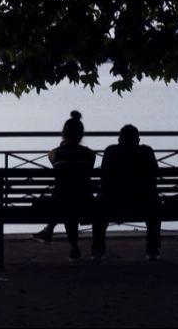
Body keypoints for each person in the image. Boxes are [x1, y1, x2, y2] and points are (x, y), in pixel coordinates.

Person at [92, 124, 161, 261]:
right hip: (143, 202)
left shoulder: (111, 151)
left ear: (119, 140)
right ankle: (152, 249)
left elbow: (103, 179)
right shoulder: (146, 151)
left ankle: (98, 250)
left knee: (99, 207)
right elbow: (154, 176)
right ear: (138, 140)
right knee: (154, 205)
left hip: (112, 202)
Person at [46, 110, 97, 260]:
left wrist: (62, 146)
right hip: (86, 200)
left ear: (63, 134)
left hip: (61, 200)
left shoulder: (57, 153)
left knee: (67, 203)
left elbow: (52, 159)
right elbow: (90, 166)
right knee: (73, 201)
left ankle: (73, 247)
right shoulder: (89, 154)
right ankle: (86, 249)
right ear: (81, 135)